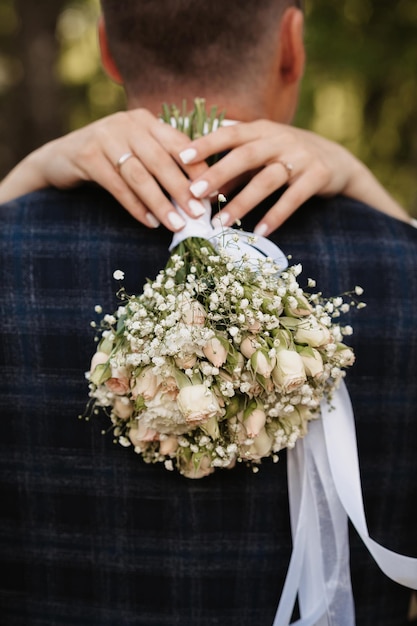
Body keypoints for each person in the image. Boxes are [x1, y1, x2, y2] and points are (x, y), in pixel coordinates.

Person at [0, 2, 416, 625]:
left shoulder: (14, 254)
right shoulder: (399, 265)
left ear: (106, 47)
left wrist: (20, 182)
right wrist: (370, 193)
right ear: (291, 45)